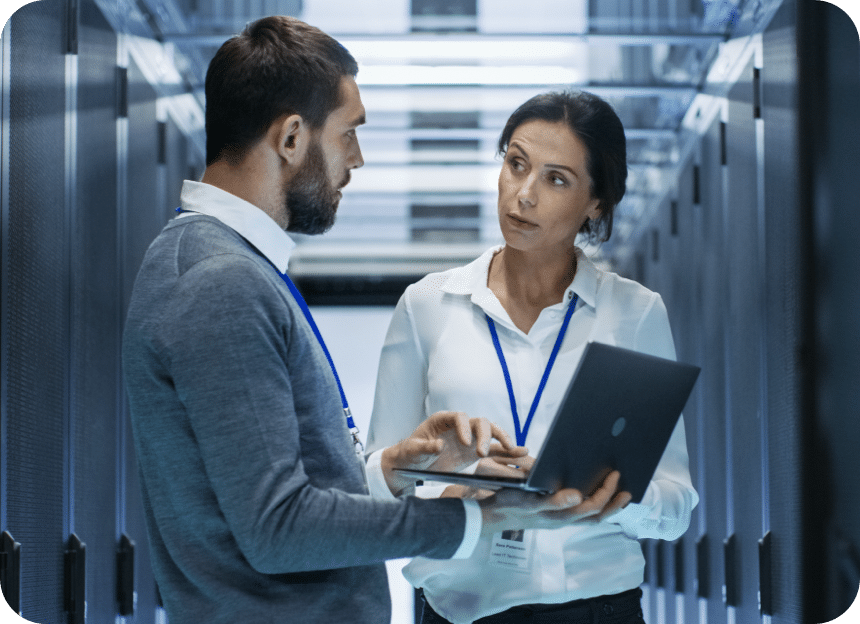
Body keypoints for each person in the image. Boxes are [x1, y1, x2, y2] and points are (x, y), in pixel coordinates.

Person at [122, 18, 629, 624]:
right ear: (290, 138)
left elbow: (271, 494)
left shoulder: (223, 265)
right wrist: (471, 518)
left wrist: (396, 467)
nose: (357, 160)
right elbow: (277, 528)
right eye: (349, 134)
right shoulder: (221, 282)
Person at [366, 91, 699, 624]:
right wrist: (457, 492)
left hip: (599, 610)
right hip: (458, 611)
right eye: (515, 164)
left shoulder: (634, 313)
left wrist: (615, 497)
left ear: (596, 202)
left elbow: (676, 505)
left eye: (556, 179)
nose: (522, 195)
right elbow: (376, 489)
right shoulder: (427, 306)